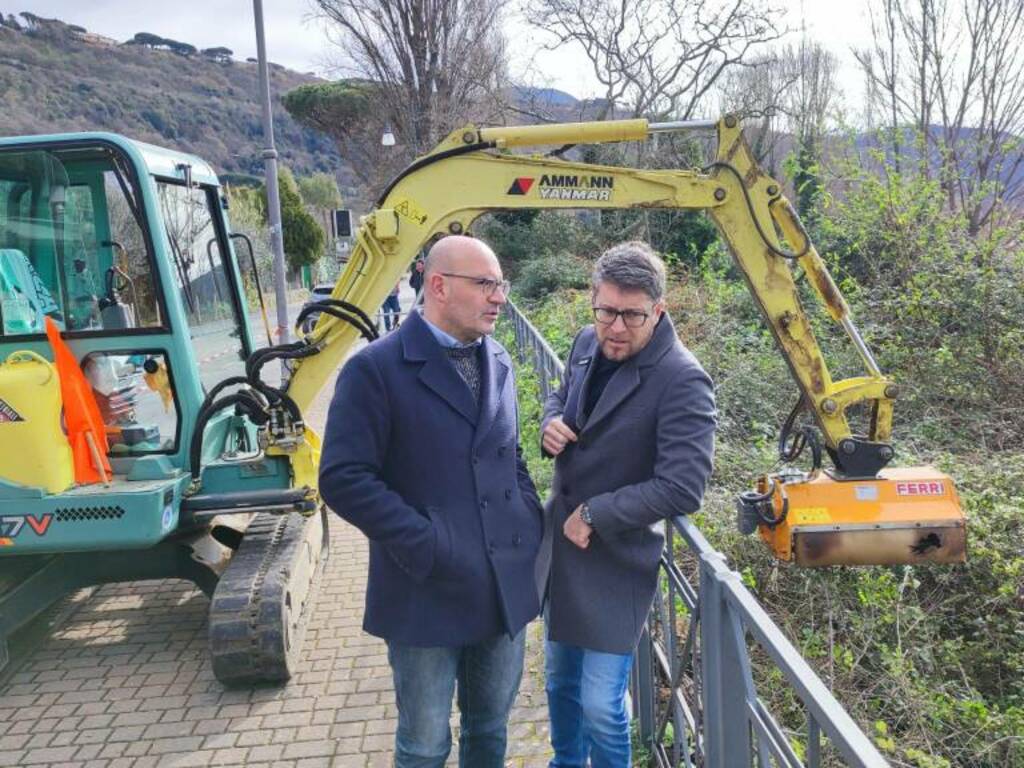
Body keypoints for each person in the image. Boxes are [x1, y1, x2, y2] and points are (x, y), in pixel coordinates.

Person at [319, 235, 544, 768]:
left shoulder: (500, 358)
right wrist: (426, 541)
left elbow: (510, 456)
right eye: (486, 284)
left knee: (490, 730)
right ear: (438, 285)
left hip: (502, 581)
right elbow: (344, 477)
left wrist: (529, 520)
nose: (499, 297)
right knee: (424, 744)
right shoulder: (376, 368)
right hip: (426, 583)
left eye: (501, 284)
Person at [538, 241, 716, 768]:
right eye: (606, 311)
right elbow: (561, 393)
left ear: (658, 310)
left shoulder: (683, 379)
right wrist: (550, 420)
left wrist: (597, 513)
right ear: (593, 301)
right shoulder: (584, 343)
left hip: (618, 557)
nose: (615, 327)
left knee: (600, 703)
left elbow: (685, 487)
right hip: (563, 552)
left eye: (631, 315)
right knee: (557, 680)